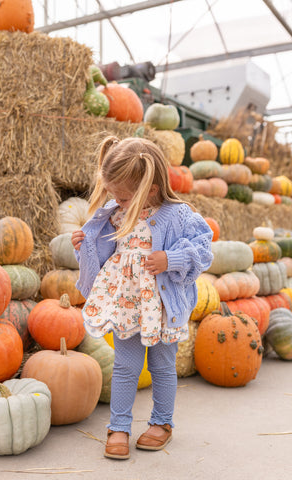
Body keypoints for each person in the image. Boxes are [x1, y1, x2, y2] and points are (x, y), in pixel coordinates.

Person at [71, 136, 213, 460]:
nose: (116, 202)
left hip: (162, 308)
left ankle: (162, 423)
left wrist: (171, 260)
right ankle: (118, 426)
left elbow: (204, 249)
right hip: (127, 306)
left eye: (122, 197)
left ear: (149, 188)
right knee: (125, 366)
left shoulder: (179, 215)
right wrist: (84, 244)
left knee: (162, 366)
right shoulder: (114, 215)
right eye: (114, 196)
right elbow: (102, 257)